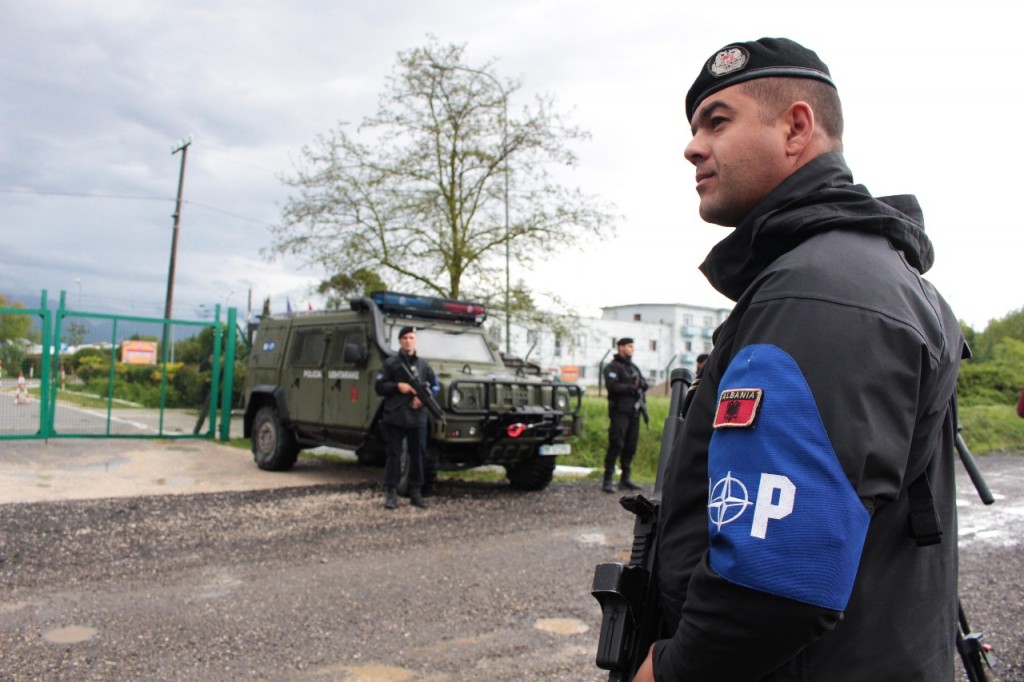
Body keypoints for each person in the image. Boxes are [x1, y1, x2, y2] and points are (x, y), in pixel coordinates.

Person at [635, 38, 965, 681]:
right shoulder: (857, 271)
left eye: (717, 121)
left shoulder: (820, 291)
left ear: (796, 127)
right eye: (694, 127)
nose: (692, 146)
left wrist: (672, 670)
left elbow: (776, 579)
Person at [374, 326, 439, 510]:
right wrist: (397, 386)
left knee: (418, 455)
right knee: (394, 454)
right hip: (395, 416)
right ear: (400, 341)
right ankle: (392, 492)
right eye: (405, 338)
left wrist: (423, 399)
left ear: (415, 340)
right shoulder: (391, 364)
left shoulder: (424, 366)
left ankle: (416, 492)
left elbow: (435, 387)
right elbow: (379, 386)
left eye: (411, 337)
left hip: (417, 418)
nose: (408, 341)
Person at [602, 337, 648, 493]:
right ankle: (607, 479)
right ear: (620, 347)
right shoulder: (612, 367)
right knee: (616, 444)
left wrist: (640, 385)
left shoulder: (633, 368)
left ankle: (625, 479)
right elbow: (613, 387)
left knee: (630, 446)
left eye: (632, 346)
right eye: (629, 346)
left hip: (634, 412)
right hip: (619, 412)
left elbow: (643, 383)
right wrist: (632, 387)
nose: (631, 349)